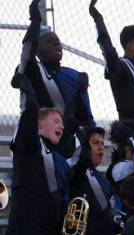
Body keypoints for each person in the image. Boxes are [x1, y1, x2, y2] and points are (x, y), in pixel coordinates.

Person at [5, 73, 69, 235]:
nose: (61, 126)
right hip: (28, 231)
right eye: (56, 121)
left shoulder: (60, 159)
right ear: (39, 126)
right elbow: (29, 115)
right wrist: (29, 90)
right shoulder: (28, 147)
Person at [15, 0, 94, 156]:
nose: (57, 46)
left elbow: (86, 117)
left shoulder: (74, 75)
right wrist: (35, 20)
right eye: (50, 43)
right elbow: (27, 51)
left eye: (58, 43)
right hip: (40, 140)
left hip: (69, 142)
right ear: (38, 49)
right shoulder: (34, 70)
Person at [88, 0, 134, 155]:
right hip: (132, 141)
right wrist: (99, 21)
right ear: (131, 46)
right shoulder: (120, 67)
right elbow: (108, 50)